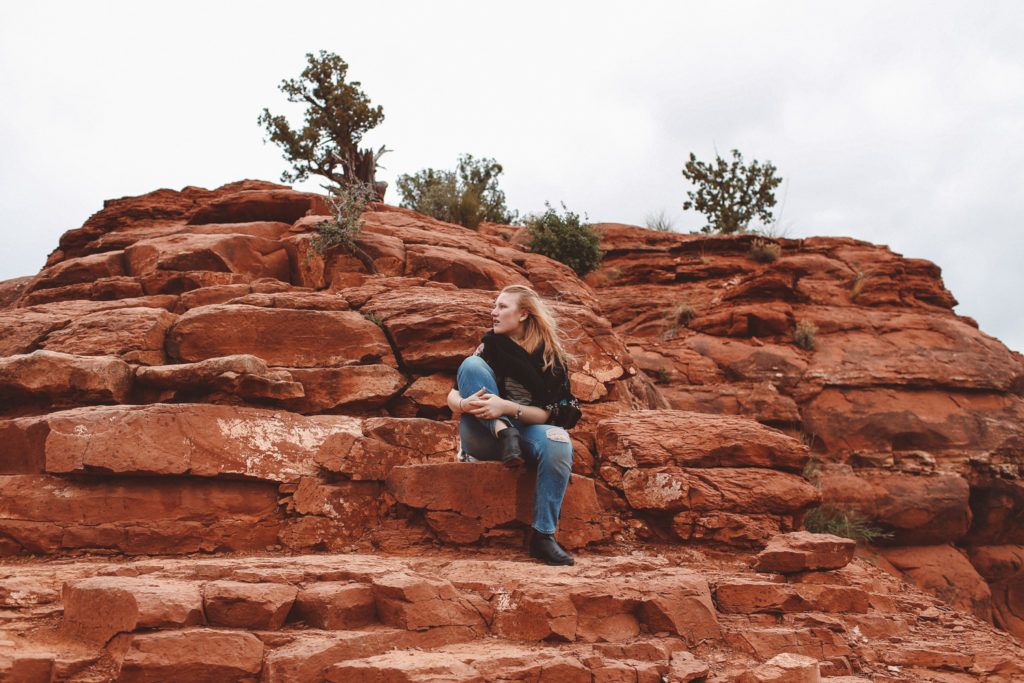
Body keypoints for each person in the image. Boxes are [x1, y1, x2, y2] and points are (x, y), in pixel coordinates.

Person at [446, 284, 582, 566]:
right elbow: (452, 396)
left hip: (526, 434)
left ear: (523, 314)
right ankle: (503, 431)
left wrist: (506, 407)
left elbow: (550, 414)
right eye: (494, 306)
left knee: (558, 439)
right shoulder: (488, 347)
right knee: (471, 366)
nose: (493, 312)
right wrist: (464, 405)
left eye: (502, 307)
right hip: (484, 434)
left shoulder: (551, 359)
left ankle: (543, 537)